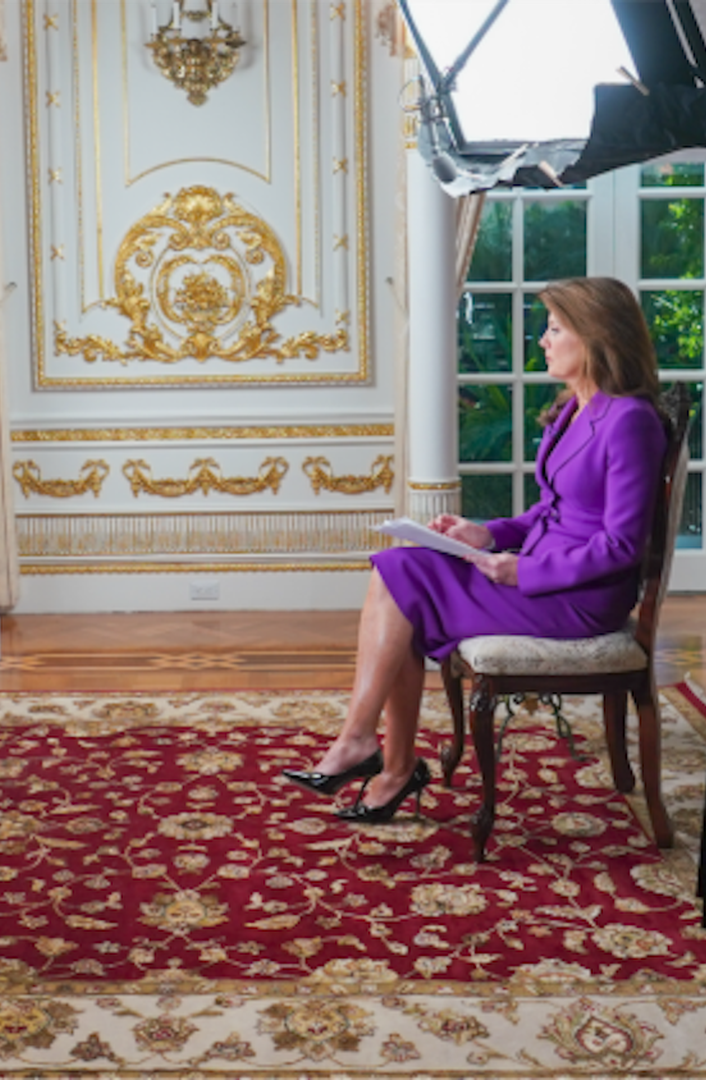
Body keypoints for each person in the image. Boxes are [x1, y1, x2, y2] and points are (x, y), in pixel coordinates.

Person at [283, 276, 668, 823]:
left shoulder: (630, 420)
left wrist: (524, 571)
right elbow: (553, 511)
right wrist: (484, 533)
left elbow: (622, 545)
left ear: (595, 336)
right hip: (539, 573)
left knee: (400, 577)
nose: (542, 340)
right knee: (398, 572)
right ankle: (380, 760)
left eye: (555, 329)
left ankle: (373, 753)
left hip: (576, 597)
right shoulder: (574, 408)